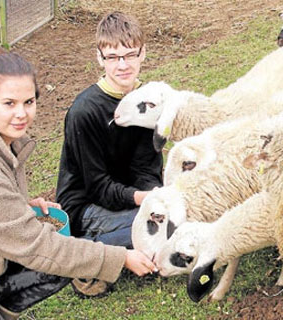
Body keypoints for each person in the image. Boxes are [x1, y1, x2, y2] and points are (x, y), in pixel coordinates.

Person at [0, 48, 156, 320]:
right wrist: (121, 258)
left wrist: (20, 207)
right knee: (58, 256)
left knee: (61, 264)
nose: (21, 114)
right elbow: (40, 248)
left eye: (28, 102)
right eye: (9, 103)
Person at [56, 12, 163, 297]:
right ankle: (84, 253)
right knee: (167, 223)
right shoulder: (84, 111)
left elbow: (147, 165)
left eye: (130, 55)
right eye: (113, 57)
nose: (123, 65)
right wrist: (144, 201)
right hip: (88, 207)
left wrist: (154, 195)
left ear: (143, 53)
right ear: (100, 58)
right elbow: (97, 186)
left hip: (126, 195)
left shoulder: (148, 100)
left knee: (177, 214)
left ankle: (134, 244)